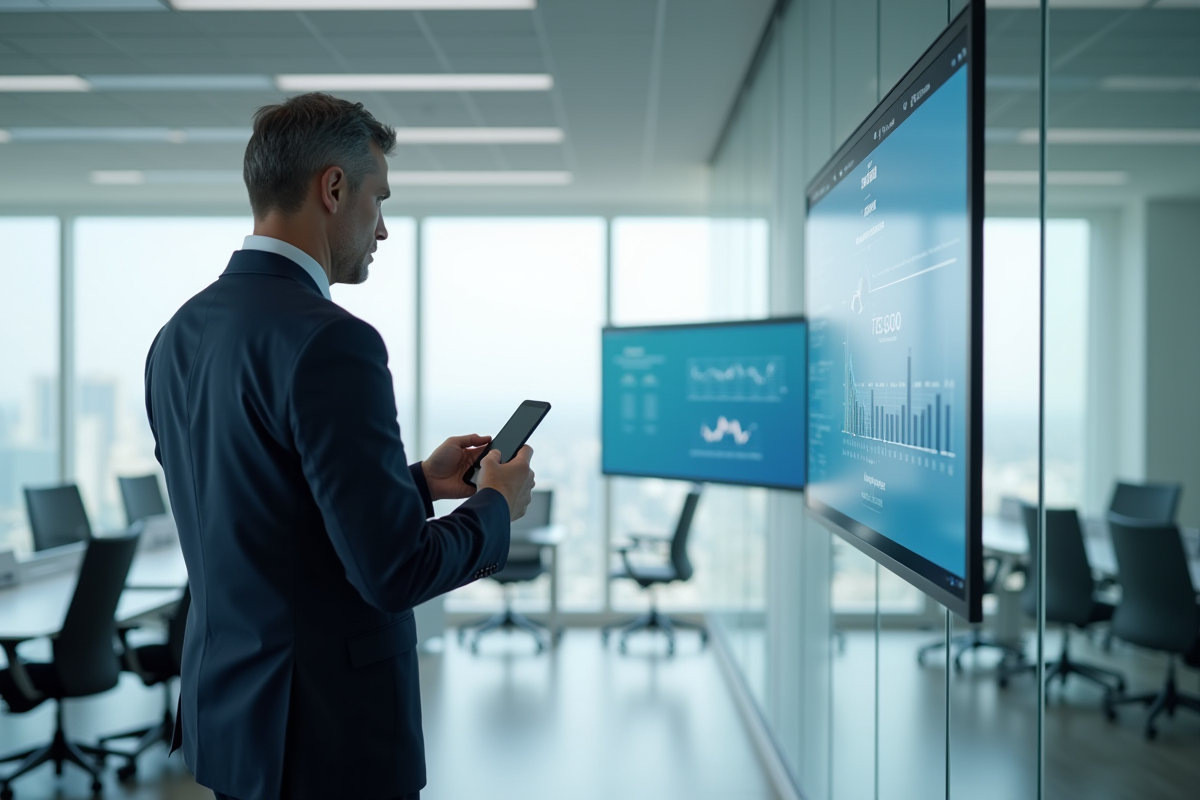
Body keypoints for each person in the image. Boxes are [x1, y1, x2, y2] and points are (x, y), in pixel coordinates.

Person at [144, 92, 535, 800]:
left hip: (233, 724)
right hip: (327, 742)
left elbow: (262, 511)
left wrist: (416, 482)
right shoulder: (333, 340)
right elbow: (395, 573)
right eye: (377, 199)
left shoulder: (178, 335)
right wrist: (496, 506)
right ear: (332, 188)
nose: (381, 229)